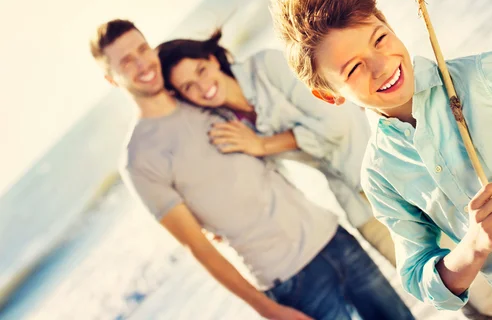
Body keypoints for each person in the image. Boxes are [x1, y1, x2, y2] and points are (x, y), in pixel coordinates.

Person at [270, 0, 492, 319]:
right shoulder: (381, 172)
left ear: (390, 25)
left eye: (379, 39)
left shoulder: (484, 77)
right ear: (328, 95)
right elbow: (418, 276)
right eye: (354, 68)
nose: (381, 66)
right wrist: (473, 246)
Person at [88, 19, 414, 320]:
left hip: (332, 237)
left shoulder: (204, 100)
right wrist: (268, 310)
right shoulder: (139, 160)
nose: (141, 63)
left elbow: (266, 146)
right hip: (290, 280)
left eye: (142, 49)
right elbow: (198, 246)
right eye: (125, 61)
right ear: (109, 78)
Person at [156, 29, 395, 264]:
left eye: (201, 71)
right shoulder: (226, 125)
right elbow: (249, 182)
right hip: (358, 205)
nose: (202, 86)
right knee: (426, 285)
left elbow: (336, 124)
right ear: (182, 97)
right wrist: (211, 222)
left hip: (392, 172)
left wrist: (262, 145)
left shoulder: (267, 66)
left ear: (211, 60)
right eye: (188, 87)